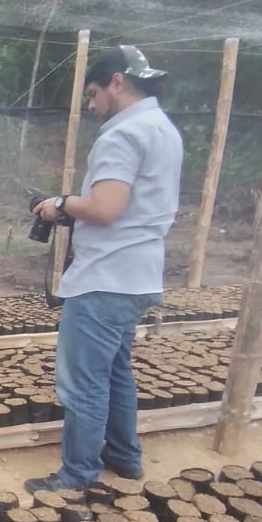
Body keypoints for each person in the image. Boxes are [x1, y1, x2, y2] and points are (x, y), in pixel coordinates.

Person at [25, 44, 183, 495]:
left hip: (105, 278)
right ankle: (125, 456)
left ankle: (77, 475)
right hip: (138, 275)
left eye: (93, 95)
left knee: (83, 381)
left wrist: (60, 204)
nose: (92, 106)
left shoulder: (123, 133)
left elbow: (106, 207)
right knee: (115, 369)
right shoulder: (164, 129)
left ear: (117, 82)